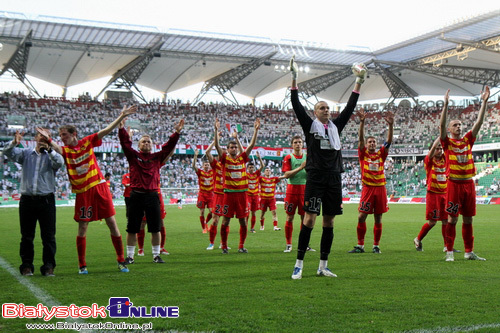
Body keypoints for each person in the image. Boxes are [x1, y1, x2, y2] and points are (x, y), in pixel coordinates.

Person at [289, 56, 366, 279]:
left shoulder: (335, 127)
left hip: (334, 177)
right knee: (309, 219)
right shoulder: (310, 126)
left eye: (328, 108)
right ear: (315, 112)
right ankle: (299, 264)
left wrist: (358, 81)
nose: (326, 110)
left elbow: (351, 107)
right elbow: (295, 104)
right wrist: (294, 77)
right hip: (315, 177)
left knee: (329, 221)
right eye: (322, 108)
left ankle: (323, 265)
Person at [37, 105, 138, 274]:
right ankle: (82, 265)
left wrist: (121, 116)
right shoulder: (66, 151)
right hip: (83, 193)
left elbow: (105, 131)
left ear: (73, 134)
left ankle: (121, 261)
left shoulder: (87, 142)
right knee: (83, 227)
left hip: (99, 187)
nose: (62, 138)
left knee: (112, 223)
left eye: (65, 135)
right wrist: (48, 140)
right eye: (60, 136)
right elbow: (55, 147)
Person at [119, 117, 184, 264]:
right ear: (139, 145)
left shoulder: (157, 157)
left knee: (156, 227)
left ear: (152, 145)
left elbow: (168, 147)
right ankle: (130, 256)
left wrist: (177, 133)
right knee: (132, 228)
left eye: (149, 142)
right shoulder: (133, 157)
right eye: (143, 141)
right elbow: (125, 144)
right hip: (136, 196)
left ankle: (156, 255)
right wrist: (121, 129)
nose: (146, 143)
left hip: (152, 196)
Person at [3, 128, 64, 276]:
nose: (43, 139)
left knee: (48, 236)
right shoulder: (25, 154)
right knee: (27, 236)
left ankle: (48, 266)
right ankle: (26, 265)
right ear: (36, 138)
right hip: (27, 200)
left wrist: (50, 150)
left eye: (46, 137)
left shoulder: (52, 156)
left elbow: (60, 162)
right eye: (41, 136)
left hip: (46, 200)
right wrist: (14, 142)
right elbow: (7, 151)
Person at [439, 87, 490, 261]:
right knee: (452, 220)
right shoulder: (446, 143)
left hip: (469, 184)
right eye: (455, 125)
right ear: (449, 129)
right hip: (453, 185)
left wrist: (484, 102)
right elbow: (441, 125)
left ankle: (469, 252)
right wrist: (445, 105)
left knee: (468, 220)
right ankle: (450, 252)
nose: (459, 127)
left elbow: (479, 122)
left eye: (460, 125)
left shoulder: (468, 140)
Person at [348, 108, 394, 254]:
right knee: (362, 216)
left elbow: (389, 141)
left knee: (378, 217)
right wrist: (362, 122)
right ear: (367, 144)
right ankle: (360, 245)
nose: (372, 143)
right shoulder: (363, 154)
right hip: (368, 188)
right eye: (370, 142)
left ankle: (376, 246)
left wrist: (391, 126)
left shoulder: (381, 154)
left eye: (374, 142)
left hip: (380, 188)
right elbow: (360, 139)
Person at [214, 117, 260, 254]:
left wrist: (256, 131)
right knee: (226, 221)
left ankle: (241, 246)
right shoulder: (224, 159)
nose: (234, 149)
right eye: (231, 147)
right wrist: (216, 131)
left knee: (243, 222)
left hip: (242, 195)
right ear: (227, 149)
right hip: (228, 194)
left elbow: (251, 146)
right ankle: (224, 246)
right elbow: (217, 146)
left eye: (235, 147)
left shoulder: (242, 159)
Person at [414, 138, 460, 253]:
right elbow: (433, 149)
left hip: (445, 194)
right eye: (437, 149)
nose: (439, 150)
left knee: (446, 220)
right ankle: (418, 239)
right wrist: (439, 137)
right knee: (432, 222)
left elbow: (448, 148)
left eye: (440, 148)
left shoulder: (445, 159)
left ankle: (446, 246)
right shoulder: (429, 161)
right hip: (433, 194)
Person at [282, 135, 307, 253]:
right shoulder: (288, 157)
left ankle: (304, 244)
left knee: (305, 219)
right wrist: (301, 168)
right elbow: (286, 175)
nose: (298, 144)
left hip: (304, 191)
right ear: (292, 145)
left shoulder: (308, 157)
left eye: (300, 142)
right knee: (290, 217)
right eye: (295, 142)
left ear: (303, 144)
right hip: (291, 191)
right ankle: (288, 244)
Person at [192, 149, 214, 233]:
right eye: (205, 165)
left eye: (208, 165)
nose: (207, 166)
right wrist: (195, 156)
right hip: (202, 194)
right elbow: (194, 166)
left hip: (210, 195)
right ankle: (204, 228)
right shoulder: (200, 172)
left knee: (212, 212)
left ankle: (205, 222)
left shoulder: (212, 172)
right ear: (203, 166)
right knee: (202, 212)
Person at [259, 167, 285, 231]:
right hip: (264, 199)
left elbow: (282, 177)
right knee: (262, 213)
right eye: (266, 170)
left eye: (269, 170)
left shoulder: (274, 179)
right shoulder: (261, 179)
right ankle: (262, 226)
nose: (268, 171)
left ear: (271, 172)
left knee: (274, 212)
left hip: (271, 199)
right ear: (264, 172)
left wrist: (289, 174)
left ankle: (275, 226)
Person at [246, 152, 264, 233]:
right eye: (250, 167)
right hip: (248, 196)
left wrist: (259, 158)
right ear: (247, 168)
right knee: (247, 212)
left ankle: (252, 228)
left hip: (255, 196)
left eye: (252, 167)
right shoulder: (245, 174)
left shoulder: (257, 174)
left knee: (254, 213)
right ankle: (245, 227)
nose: (251, 168)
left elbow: (262, 166)